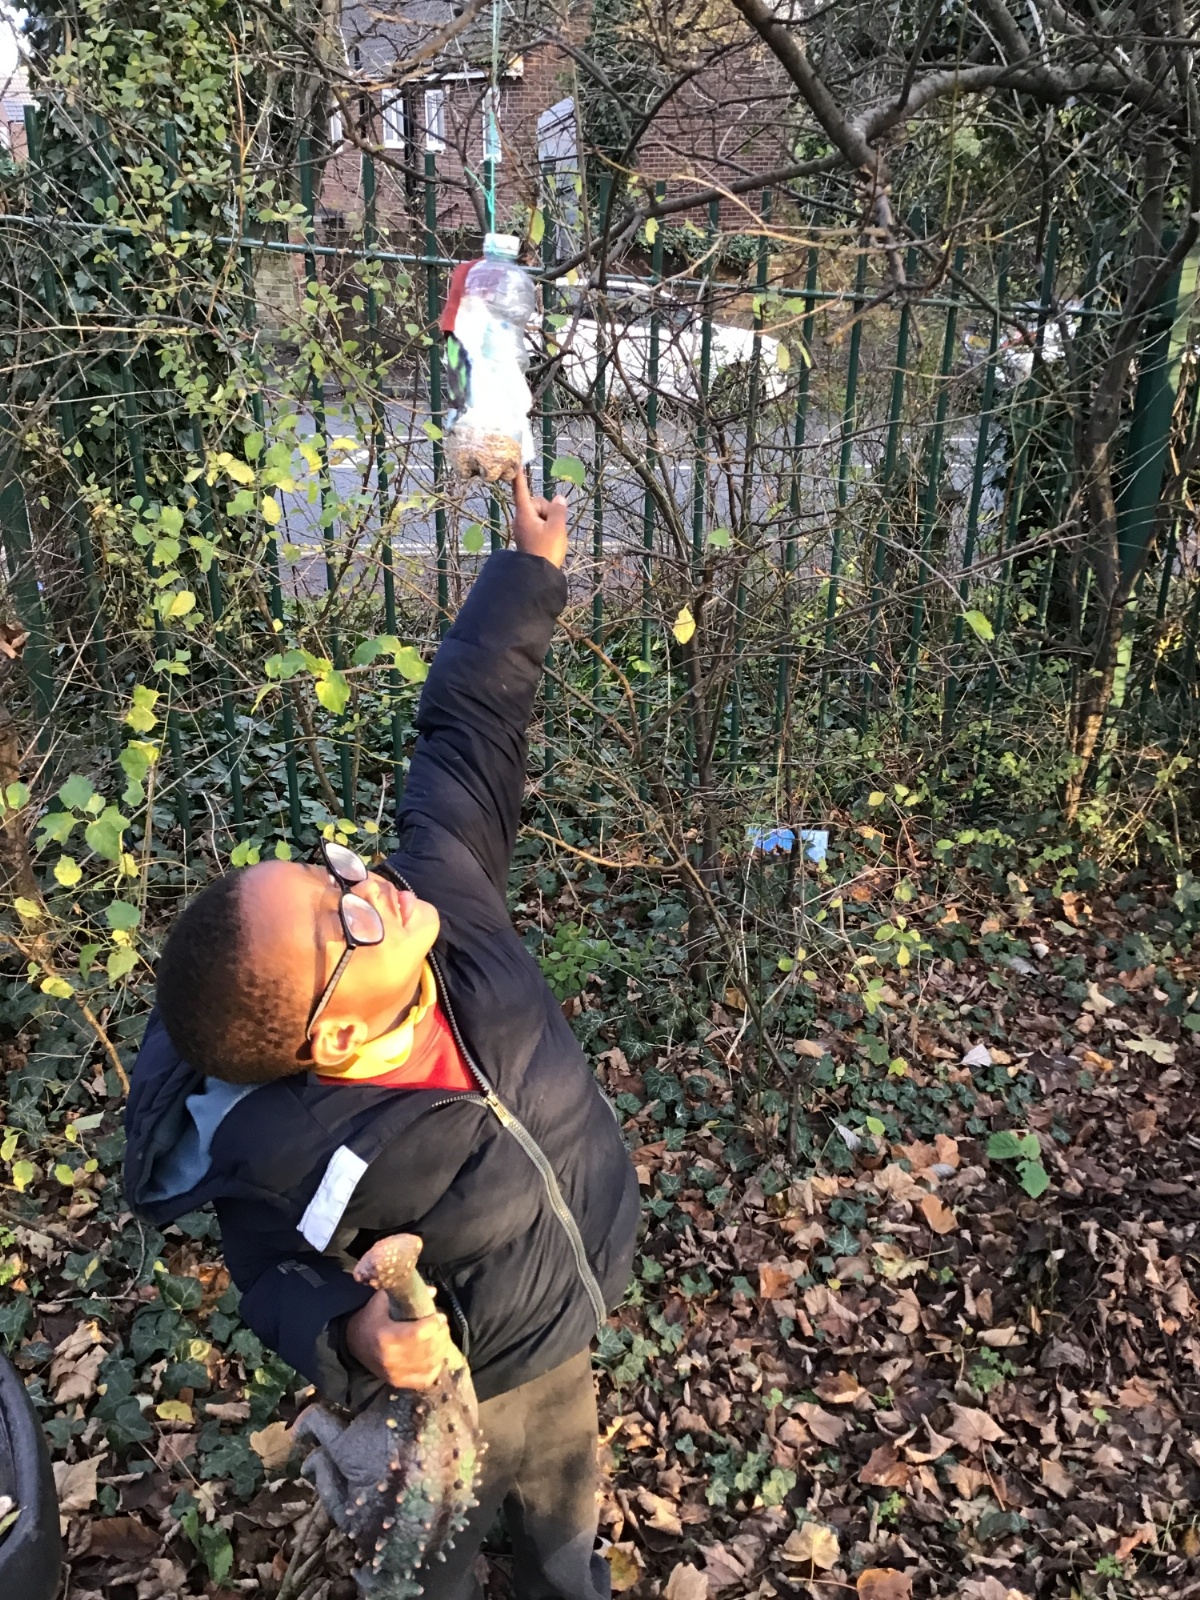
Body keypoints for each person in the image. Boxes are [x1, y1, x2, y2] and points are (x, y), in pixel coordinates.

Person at [123, 472, 639, 1600]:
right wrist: (354, 1336)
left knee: (564, 1532)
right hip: (443, 1408)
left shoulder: (442, 890)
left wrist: (527, 573)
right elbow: (268, 1276)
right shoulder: (285, 1150)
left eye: (332, 875)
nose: (368, 886)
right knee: (434, 1568)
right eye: (342, 920)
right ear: (335, 1034)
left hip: (557, 1331)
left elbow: (467, 733)